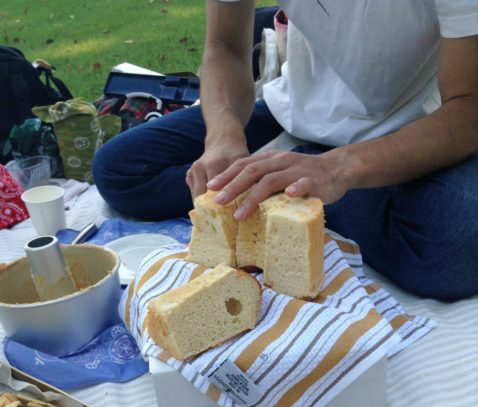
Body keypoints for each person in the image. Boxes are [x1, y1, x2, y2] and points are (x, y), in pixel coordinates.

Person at [93, 1, 478, 301]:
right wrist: (224, 137)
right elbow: (225, 48)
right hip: (297, 113)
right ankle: (289, 192)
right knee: (121, 169)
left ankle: (288, 189)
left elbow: (467, 107)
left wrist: (335, 170)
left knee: (453, 250)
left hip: (416, 133)